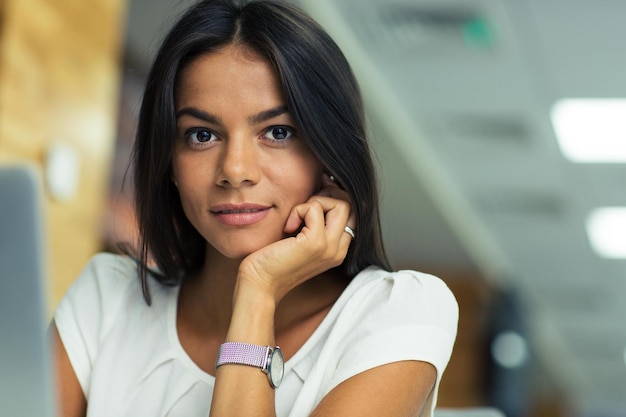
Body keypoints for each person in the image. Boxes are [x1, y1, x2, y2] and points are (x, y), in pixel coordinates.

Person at [50, 0, 459, 416]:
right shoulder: (106, 299)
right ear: (169, 161)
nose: (235, 170)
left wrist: (258, 291)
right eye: (201, 135)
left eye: (277, 132)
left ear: (328, 157)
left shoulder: (399, 312)